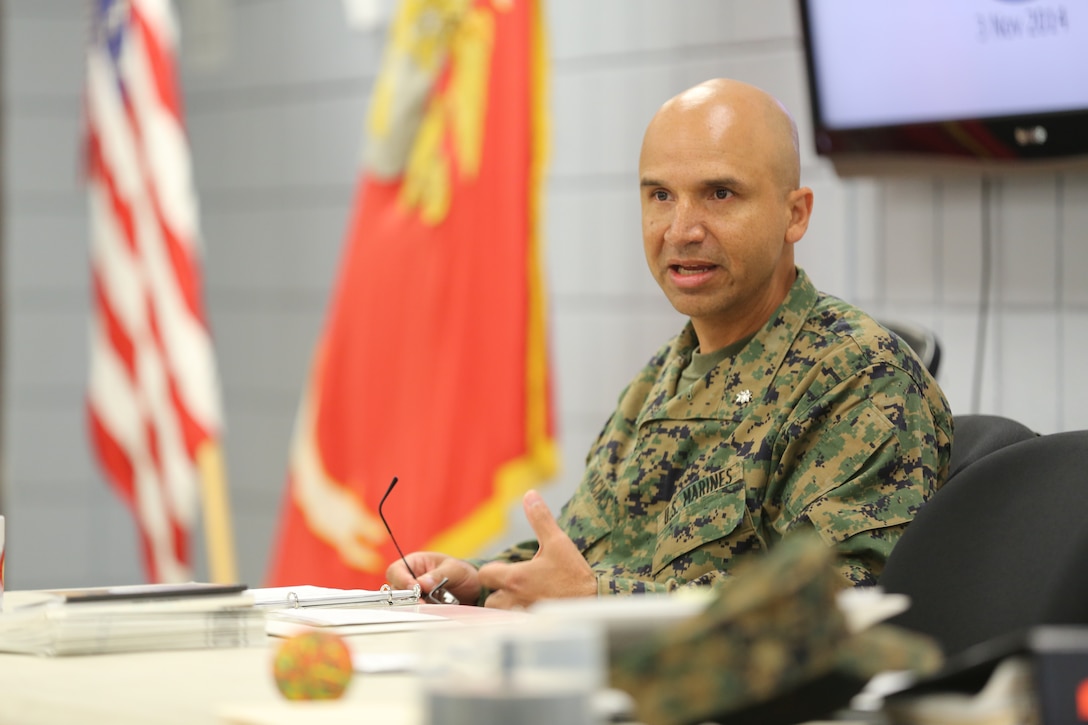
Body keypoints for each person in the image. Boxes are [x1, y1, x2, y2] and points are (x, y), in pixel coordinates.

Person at [386, 78, 954, 609]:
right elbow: (583, 556)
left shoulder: (859, 378)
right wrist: (478, 580)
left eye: (720, 194)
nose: (681, 230)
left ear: (795, 213)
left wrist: (596, 602)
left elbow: (838, 604)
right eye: (660, 195)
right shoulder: (665, 375)